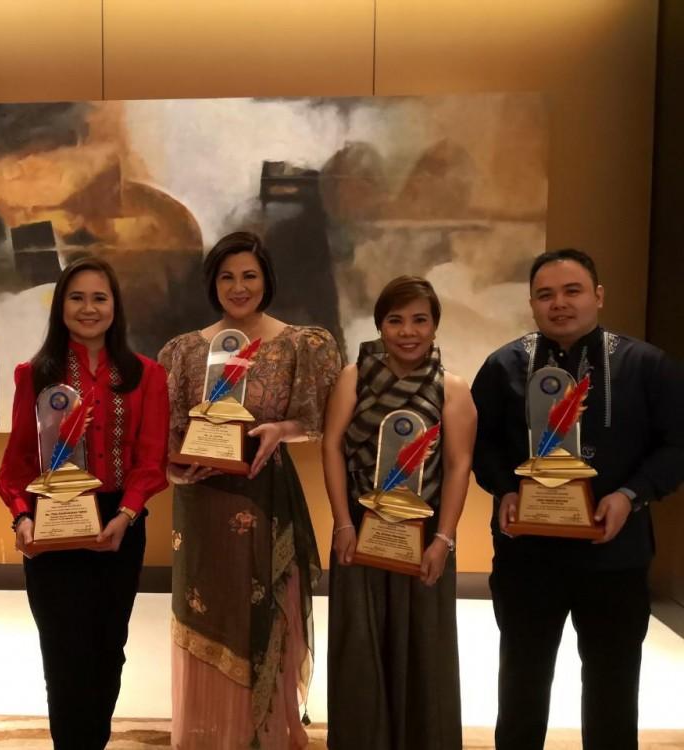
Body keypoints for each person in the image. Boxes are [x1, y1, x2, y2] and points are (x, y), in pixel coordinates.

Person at [471, 248, 684, 750]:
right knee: (521, 684)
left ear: (598, 296)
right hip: (528, 557)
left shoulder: (646, 365)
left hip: (616, 555)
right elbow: (478, 445)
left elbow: (678, 444)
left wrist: (631, 495)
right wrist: (502, 489)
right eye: (546, 294)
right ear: (531, 303)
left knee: (612, 687)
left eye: (573, 291)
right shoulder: (504, 366)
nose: (559, 304)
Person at [158, 231, 341, 749]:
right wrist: (174, 472)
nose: (238, 287)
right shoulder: (184, 352)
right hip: (201, 506)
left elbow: (318, 420)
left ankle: (265, 736)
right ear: (212, 283)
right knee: (204, 615)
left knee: (269, 616)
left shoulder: (300, 344)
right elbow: (168, 438)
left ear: (267, 281)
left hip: (265, 499)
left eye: (249, 276)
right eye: (227, 276)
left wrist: (282, 430)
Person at [0, 256, 169, 750]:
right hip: (51, 527)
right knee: (63, 652)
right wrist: (22, 518)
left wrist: (126, 514)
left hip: (120, 524)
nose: (88, 308)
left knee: (108, 650)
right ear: (60, 306)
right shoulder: (34, 374)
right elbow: (19, 463)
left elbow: (152, 459)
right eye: (77, 297)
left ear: (115, 306)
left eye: (99, 297)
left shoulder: (147, 375)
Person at [321, 275, 476, 749]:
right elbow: (331, 446)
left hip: (423, 537)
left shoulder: (453, 389)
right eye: (395, 320)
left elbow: (458, 465)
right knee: (359, 650)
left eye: (419, 320)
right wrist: (343, 523)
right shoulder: (354, 376)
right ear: (380, 325)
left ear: (434, 326)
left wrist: (443, 540)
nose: (407, 331)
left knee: (424, 650)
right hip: (359, 531)